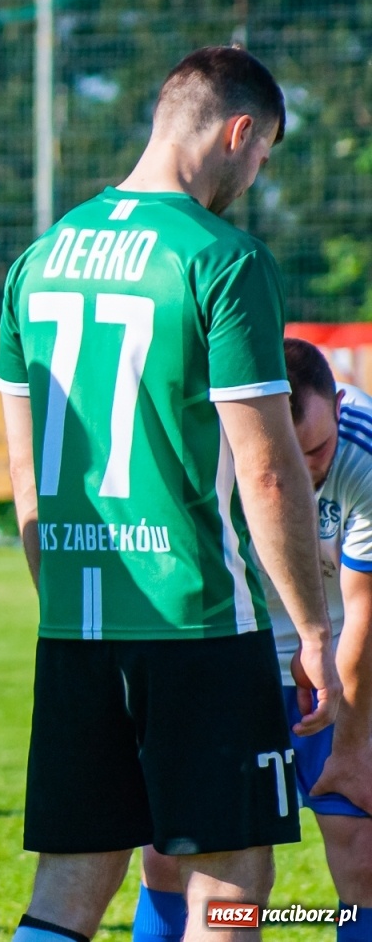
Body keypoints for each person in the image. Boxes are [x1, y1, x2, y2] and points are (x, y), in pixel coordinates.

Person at [0, 45, 340, 942]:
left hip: (74, 622)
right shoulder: (224, 260)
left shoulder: (39, 258)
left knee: (70, 883)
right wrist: (312, 632)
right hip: (198, 622)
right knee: (232, 880)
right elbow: (268, 470)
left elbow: (26, 479)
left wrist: (67, 603)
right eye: (262, 156)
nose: (255, 178)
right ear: (239, 132)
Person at [132, 339, 372, 942]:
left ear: (338, 406)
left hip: (341, 666)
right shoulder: (203, 446)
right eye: (287, 453)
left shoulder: (365, 457)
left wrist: (350, 750)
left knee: (364, 849)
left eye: (316, 450)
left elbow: (366, 617)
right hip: (234, 656)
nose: (304, 470)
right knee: (175, 855)